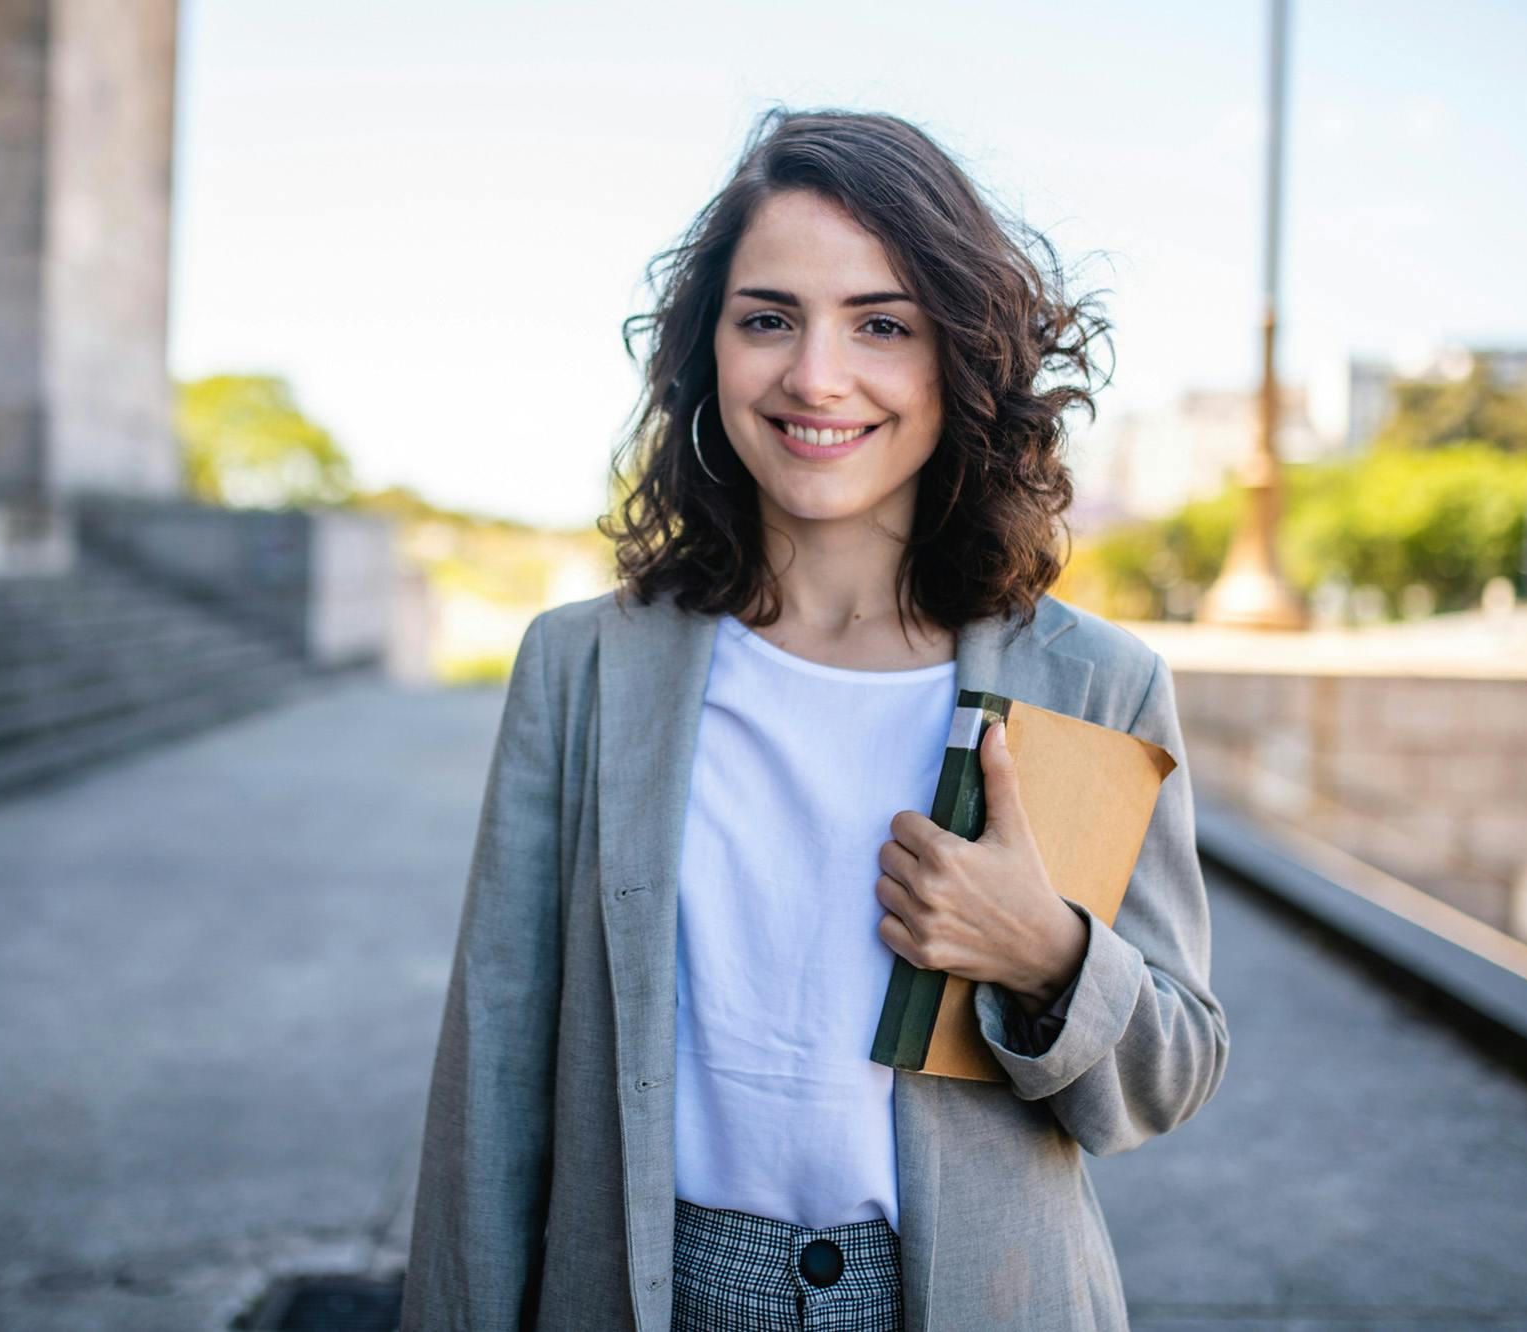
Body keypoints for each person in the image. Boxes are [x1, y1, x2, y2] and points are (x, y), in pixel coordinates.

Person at [402, 107, 1229, 1332]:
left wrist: (1045, 953)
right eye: (768, 318)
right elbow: (493, 1078)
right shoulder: (582, 670)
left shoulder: (1091, 682)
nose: (815, 375)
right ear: (708, 352)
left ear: (960, 357)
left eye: (881, 324)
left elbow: (1161, 1083)